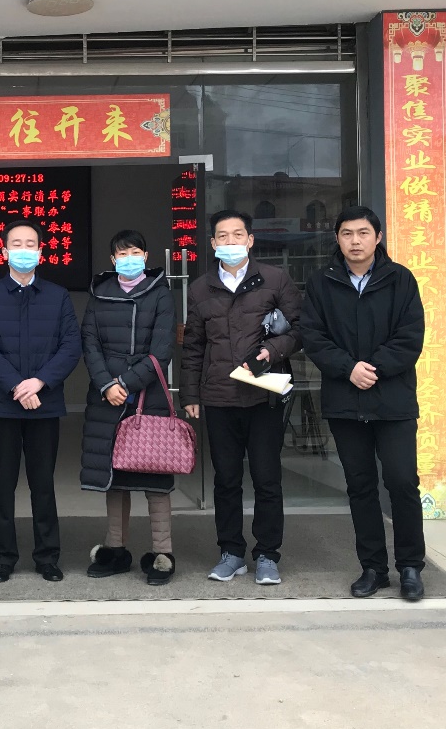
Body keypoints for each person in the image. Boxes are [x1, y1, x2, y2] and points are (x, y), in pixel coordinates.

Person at [299, 206, 427, 601]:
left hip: (393, 401)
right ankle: (373, 568)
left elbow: (410, 335)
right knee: (360, 485)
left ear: (378, 237)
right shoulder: (321, 282)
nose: (355, 241)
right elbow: (312, 335)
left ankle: (410, 566)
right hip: (345, 400)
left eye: (363, 233)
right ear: (337, 238)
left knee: (402, 482)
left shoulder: (400, 279)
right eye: (347, 234)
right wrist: (348, 368)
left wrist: (373, 368)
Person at [181, 209, 302, 585]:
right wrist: (190, 393)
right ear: (213, 243)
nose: (230, 242)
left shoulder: (275, 279)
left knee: (267, 478)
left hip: (264, 397)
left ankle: (267, 554)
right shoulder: (200, 289)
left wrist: (272, 351)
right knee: (226, 479)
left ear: (250, 240)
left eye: (238, 235)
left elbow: (300, 329)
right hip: (219, 398)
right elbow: (193, 346)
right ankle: (231, 552)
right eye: (223, 236)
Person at [0, 219, 82, 583]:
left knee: (42, 484)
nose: (23, 250)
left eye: (30, 244)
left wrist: (39, 383)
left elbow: (71, 346)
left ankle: (47, 557)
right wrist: (17, 386)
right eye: (16, 244)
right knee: (2, 485)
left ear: (40, 251)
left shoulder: (57, 295)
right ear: (3, 251)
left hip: (44, 403)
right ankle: (3, 558)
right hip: (2, 405)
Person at [79, 230, 179, 585]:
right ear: (113, 260)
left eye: (135, 252)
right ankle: (116, 548)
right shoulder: (99, 293)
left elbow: (162, 351)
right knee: (115, 478)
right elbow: (89, 343)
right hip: (106, 397)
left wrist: (125, 383)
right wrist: (107, 384)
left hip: (148, 396)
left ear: (145, 256)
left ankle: (162, 553)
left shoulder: (161, 293)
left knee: (155, 475)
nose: (129, 258)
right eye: (122, 253)